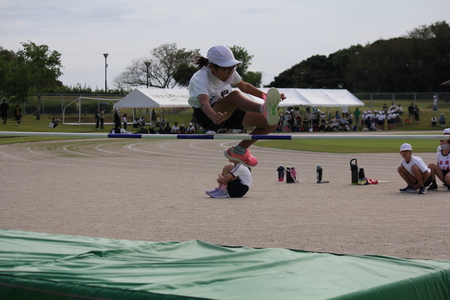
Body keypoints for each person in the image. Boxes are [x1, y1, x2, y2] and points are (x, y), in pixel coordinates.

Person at [188, 45, 285, 168]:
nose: (229, 73)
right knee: (234, 95)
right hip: (207, 115)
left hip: (228, 111)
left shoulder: (229, 71)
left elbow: (245, 86)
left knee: (270, 123)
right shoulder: (200, 79)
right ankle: (263, 108)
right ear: (212, 66)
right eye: (226, 70)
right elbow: (204, 103)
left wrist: (267, 97)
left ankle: (239, 151)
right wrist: (213, 115)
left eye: (232, 69)